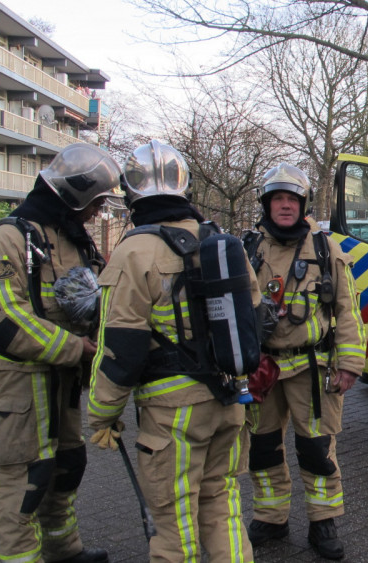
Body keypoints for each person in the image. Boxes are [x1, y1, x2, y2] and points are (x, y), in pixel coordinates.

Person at [87, 140, 259, 562]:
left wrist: (102, 412)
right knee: (222, 507)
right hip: (229, 401)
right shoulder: (220, 242)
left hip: (173, 413)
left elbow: (120, 347)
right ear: (186, 189)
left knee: (174, 520)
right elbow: (256, 318)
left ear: (131, 193)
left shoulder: (132, 250)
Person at [0, 143, 119, 563]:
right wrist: (75, 347)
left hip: (63, 382)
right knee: (26, 478)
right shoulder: (8, 238)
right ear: (74, 194)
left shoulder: (72, 242)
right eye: (95, 203)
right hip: (20, 387)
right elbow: (4, 319)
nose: (97, 213)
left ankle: (64, 550)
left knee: (67, 466)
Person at [242, 163, 366, 559]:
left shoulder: (324, 248)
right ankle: (270, 516)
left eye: (291, 199)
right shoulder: (247, 249)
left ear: (302, 204)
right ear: (266, 203)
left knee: (316, 448)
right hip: (262, 368)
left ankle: (322, 520)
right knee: (262, 448)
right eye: (277, 198)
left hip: (311, 369)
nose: (284, 206)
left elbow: (348, 310)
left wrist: (348, 364)